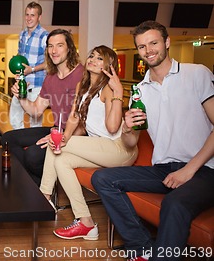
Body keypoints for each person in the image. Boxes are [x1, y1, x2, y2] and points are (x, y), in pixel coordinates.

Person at [91, 21, 214, 261]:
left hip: (205, 171)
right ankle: (143, 248)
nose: (148, 50)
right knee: (103, 178)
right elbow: (129, 143)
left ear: (167, 42)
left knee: (174, 205)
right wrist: (127, 127)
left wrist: (189, 170)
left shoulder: (196, 73)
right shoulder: (140, 90)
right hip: (164, 170)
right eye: (142, 46)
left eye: (154, 43)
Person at [37, 45, 138, 240]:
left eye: (100, 58)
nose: (92, 59)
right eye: (91, 55)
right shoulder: (82, 87)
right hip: (102, 148)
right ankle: (86, 223)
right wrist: (64, 136)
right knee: (61, 160)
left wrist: (118, 92)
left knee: (57, 144)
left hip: (120, 149)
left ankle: (43, 199)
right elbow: (75, 118)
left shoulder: (108, 89)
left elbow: (112, 127)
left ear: (108, 65)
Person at [1, 29, 84, 186]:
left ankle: (40, 187)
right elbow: (36, 111)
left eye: (59, 45)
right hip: (57, 129)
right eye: (50, 46)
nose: (54, 51)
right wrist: (22, 97)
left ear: (69, 48)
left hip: (77, 134)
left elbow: (85, 121)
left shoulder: (81, 74)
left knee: (32, 155)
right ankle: (35, 185)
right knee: (8, 139)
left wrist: (61, 137)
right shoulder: (50, 78)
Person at [9, 1, 48, 130]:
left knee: (35, 122)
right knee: (14, 117)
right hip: (23, 82)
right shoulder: (23, 35)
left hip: (37, 83)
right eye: (27, 14)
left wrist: (31, 69)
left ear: (39, 17)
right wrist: (17, 68)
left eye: (32, 15)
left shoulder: (45, 36)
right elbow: (21, 55)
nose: (29, 18)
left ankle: (33, 147)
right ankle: (20, 142)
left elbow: (50, 62)